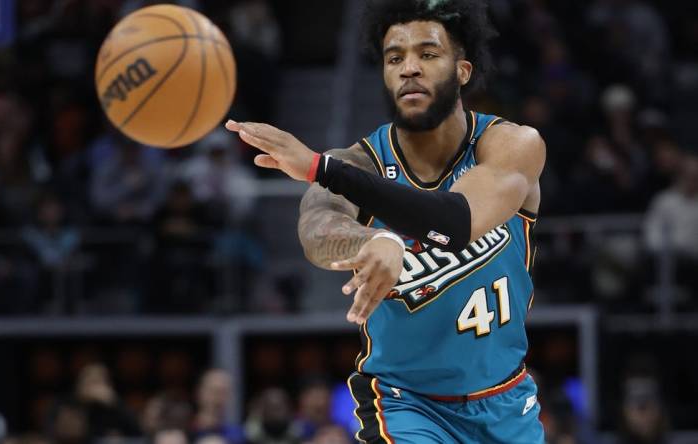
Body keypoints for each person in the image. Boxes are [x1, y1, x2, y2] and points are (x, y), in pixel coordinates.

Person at [226, 0, 546, 442]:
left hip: (507, 399)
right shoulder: (359, 163)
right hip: (404, 403)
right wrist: (369, 242)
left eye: (428, 54)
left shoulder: (511, 145)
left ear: (463, 71)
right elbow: (316, 230)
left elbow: (455, 223)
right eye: (395, 57)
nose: (409, 68)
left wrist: (324, 170)